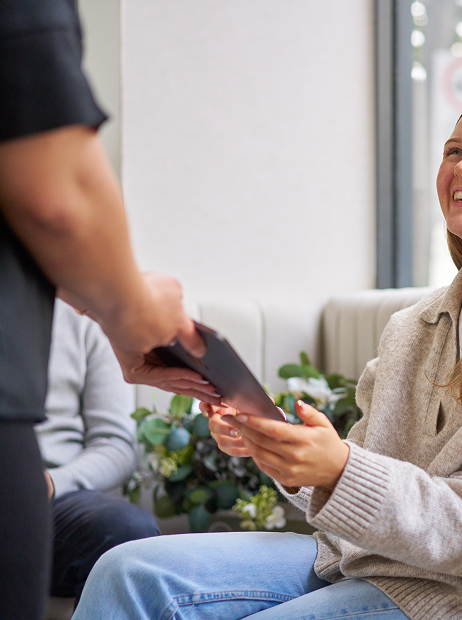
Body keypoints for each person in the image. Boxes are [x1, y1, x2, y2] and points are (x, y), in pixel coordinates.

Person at [72, 93, 462, 620]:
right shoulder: (414, 327)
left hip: (451, 596)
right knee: (127, 569)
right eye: (453, 152)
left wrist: (339, 468)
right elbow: (361, 462)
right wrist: (277, 443)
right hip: (348, 557)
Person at [0, 1, 219, 618]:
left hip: (63, 492)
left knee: (118, 527)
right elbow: (56, 197)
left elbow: (115, 443)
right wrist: (137, 312)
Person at [38, 299, 162, 605]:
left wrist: (52, 482)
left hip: (55, 493)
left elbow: (115, 444)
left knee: (127, 530)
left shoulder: (85, 314)